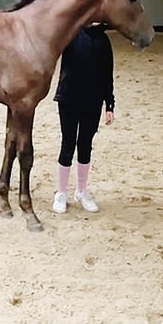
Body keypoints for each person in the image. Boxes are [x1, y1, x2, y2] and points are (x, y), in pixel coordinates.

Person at [52, 23, 115, 214]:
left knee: (85, 145)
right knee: (68, 144)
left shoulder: (104, 41)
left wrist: (109, 104)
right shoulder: (70, 33)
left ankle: (81, 191)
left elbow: (107, 75)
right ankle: (61, 193)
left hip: (93, 101)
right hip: (69, 98)